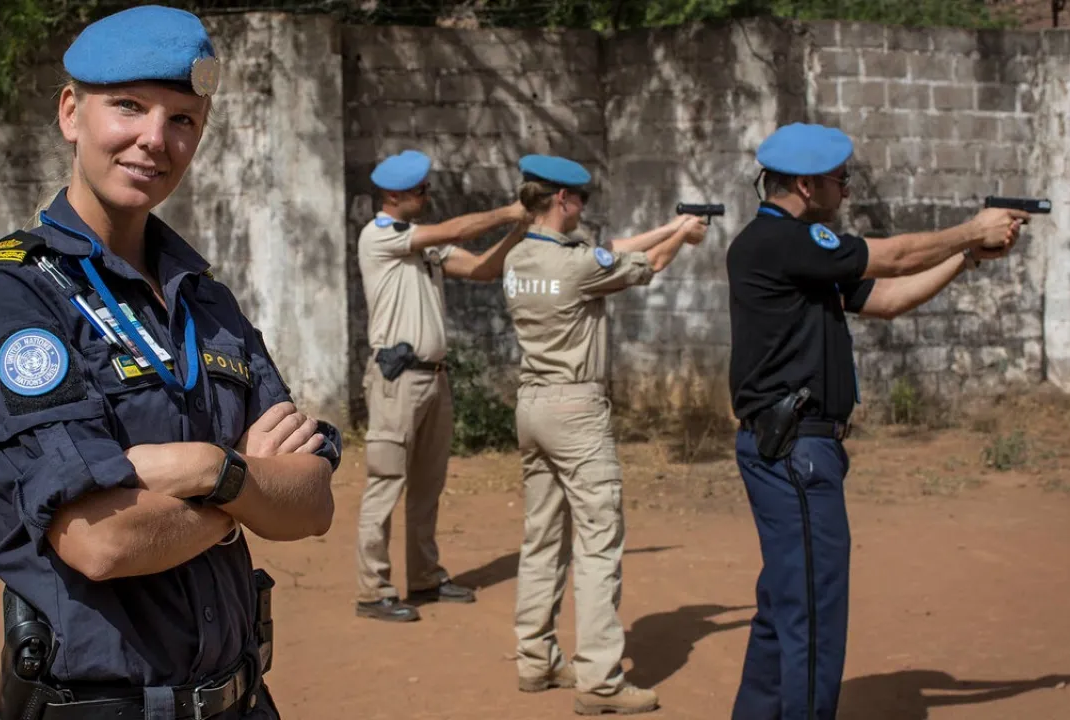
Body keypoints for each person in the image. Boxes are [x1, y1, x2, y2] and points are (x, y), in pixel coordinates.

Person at [0, 7, 342, 720]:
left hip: (243, 701)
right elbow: (101, 540)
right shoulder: (14, 304)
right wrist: (241, 483)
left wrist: (205, 470)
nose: (155, 140)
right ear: (71, 113)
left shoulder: (206, 299)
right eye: (128, 107)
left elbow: (311, 502)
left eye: (182, 118)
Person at [726, 122, 1027, 720]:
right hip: (795, 450)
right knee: (812, 609)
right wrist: (972, 226)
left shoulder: (794, 251)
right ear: (807, 186)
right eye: (840, 178)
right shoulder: (785, 240)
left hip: (793, 450)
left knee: (785, 602)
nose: (847, 187)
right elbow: (892, 255)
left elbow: (887, 297)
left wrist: (967, 257)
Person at [500, 154, 708, 716]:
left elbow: (610, 252)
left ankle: (536, 658)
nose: (584, 207)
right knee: (598, 542)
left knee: (542, 538)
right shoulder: (577, 265)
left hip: (532, 405)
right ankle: (599, 679)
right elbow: (643, 265)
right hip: (575, 409)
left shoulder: (518, 257)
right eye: (580, 199)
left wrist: (673, 228)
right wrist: (680, 236)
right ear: (563, 200)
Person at [355, 150, 529, 622]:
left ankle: (425, 577)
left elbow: (482, 269)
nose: (426, 196)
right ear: (393, 197)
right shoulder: (380, 236)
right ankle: (373, 589)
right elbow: (455, 231)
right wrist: (509, 211)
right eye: (420, 191)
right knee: (386, 482)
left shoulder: (419, 243)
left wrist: (520, 229)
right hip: (397, 378)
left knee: (428, 486)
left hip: (434, 376)